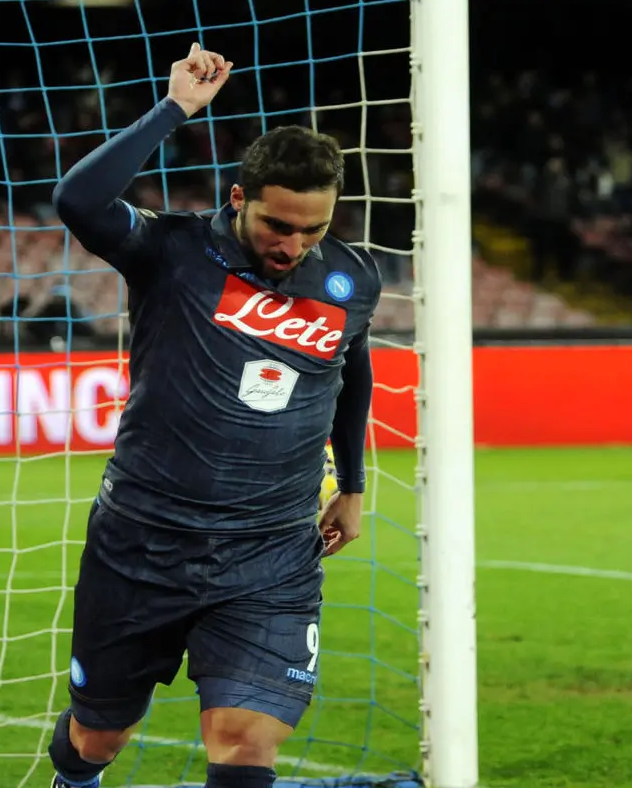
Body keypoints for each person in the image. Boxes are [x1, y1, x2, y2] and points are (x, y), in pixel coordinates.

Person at [44, 43, 383, 788]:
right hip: (142, 543)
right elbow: (78, 201)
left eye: (313, 229)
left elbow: (349, 369)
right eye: (277, 225)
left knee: (245, 740)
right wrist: (175, 109)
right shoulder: (170, 250)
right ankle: (75, 777)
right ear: (238, 198)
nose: (293, 246)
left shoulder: (352, 277)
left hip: (270, 552)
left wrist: (353, 485)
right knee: (98, 735)